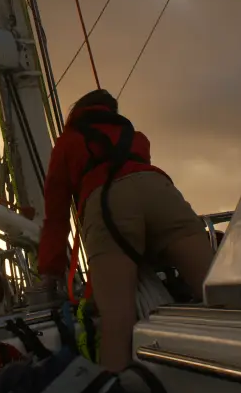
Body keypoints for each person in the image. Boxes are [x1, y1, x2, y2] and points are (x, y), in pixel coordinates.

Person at [37, 89, 215, 371]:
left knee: (117, 322)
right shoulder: (134, 136)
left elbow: (56, 217)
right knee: (215, 293)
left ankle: (117, 389)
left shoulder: (68, 142)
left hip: (108, 202)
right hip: (159, 190)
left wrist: (50, 271)